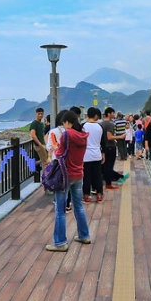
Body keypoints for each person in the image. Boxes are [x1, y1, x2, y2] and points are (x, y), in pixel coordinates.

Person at [46, 110, 92, 252]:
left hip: (65, 175)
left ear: (67, 122)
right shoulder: (83, 134)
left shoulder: (67, 134)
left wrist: (56, 148)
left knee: (60, 209)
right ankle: (84, 235)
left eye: (64, 123)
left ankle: (60, 243)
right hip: (79, 173)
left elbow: (60, 154)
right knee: (78, 206)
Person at [47, 110, 71, 212]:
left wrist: (54, 147)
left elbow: (48, 147)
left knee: (58, 181)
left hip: (56, 161)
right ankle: (67, 204)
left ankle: (58, 201)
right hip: (69, 160)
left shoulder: (53, 132)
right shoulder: (70, 131)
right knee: (68, 182)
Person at [82, 107, 105, 202]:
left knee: (86, 176)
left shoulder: (83, 126)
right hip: (97, 154)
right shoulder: (100, 127)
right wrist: (103, 153)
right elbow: (103, 142)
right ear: (95, 116)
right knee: (98, 176)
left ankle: (86, 195)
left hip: (86, 155)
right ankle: (99, 194)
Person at [100, 107, 126, 190]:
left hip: (103, 147)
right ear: (108, 114)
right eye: (113, 113)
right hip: (110, 147)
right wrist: (120, 137)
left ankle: (117, 177)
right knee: (109, 166)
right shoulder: (110, 124)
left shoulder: (101, 123)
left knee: (105, 166)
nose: (114, 115)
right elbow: (109, 137)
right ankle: (109, 183)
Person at [31, 108, 51, 192]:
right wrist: (40, 144)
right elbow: (33, 135)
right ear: (36, 114)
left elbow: (42, 134)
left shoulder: (41, 124)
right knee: (45, 163)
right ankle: (46, 185)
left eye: (41, 113)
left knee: (45, 162)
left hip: (43, 145)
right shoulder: (34, 123)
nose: (40, 115)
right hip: (40, 146)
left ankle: (46, 183)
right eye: (39, 114)